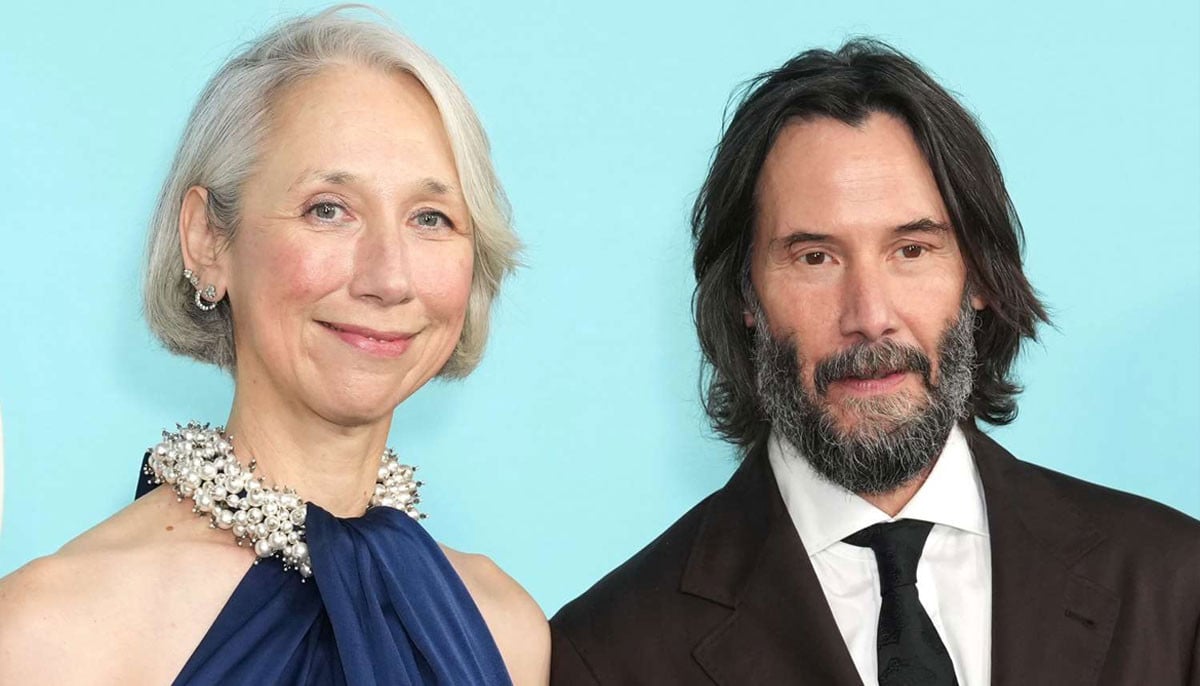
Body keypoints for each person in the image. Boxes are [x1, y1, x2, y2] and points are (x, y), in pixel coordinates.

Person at [550, 39, 1200, 685]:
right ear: (745, 294)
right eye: (815, 258)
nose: (869, 313)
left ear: (978, 275)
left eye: (911, 250)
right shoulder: (609, 653)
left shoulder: (1175, 586)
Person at [0, 7, 548, 684]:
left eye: (430, 218)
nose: (388, 278)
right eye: (328, 209)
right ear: (207, 239)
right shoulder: (51, 634)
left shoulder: (505, 631)